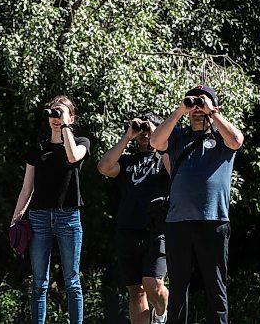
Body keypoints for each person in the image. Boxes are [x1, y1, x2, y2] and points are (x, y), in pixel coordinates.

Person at [150, 85, 244, 324]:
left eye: (203, 104)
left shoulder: (221, 137)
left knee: (215, 285)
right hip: (178, 222)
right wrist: (182, 108)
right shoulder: (178, 136)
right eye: (195, 106)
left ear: (214, 107)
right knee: (179, 286)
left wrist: (212, 113)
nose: (198, 110)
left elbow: (236, 141)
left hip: (214, 220)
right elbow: (155, 140)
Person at [10, 95, 90, 324]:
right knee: (38, 283)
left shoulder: (81, 142)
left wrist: (64, 128)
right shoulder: (38, 149)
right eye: (52, 113)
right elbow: (27, 189)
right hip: (39, 217)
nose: (55, 118)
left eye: (60, 113)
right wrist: (15, 221)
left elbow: (73, 157)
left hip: (69, 217)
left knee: (72, 281)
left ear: (71, 118)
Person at [98, 113, 170, 324]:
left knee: (153, 284)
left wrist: (157, 135)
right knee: (135, 292)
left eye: (149, 130)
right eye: (142, 131)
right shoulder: (128, 161)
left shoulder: (165, 157)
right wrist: (128, 135)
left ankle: (161, 314)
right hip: (128, 229)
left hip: (157, 229)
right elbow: (104, 167)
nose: (144, 134)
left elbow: (175, 172)